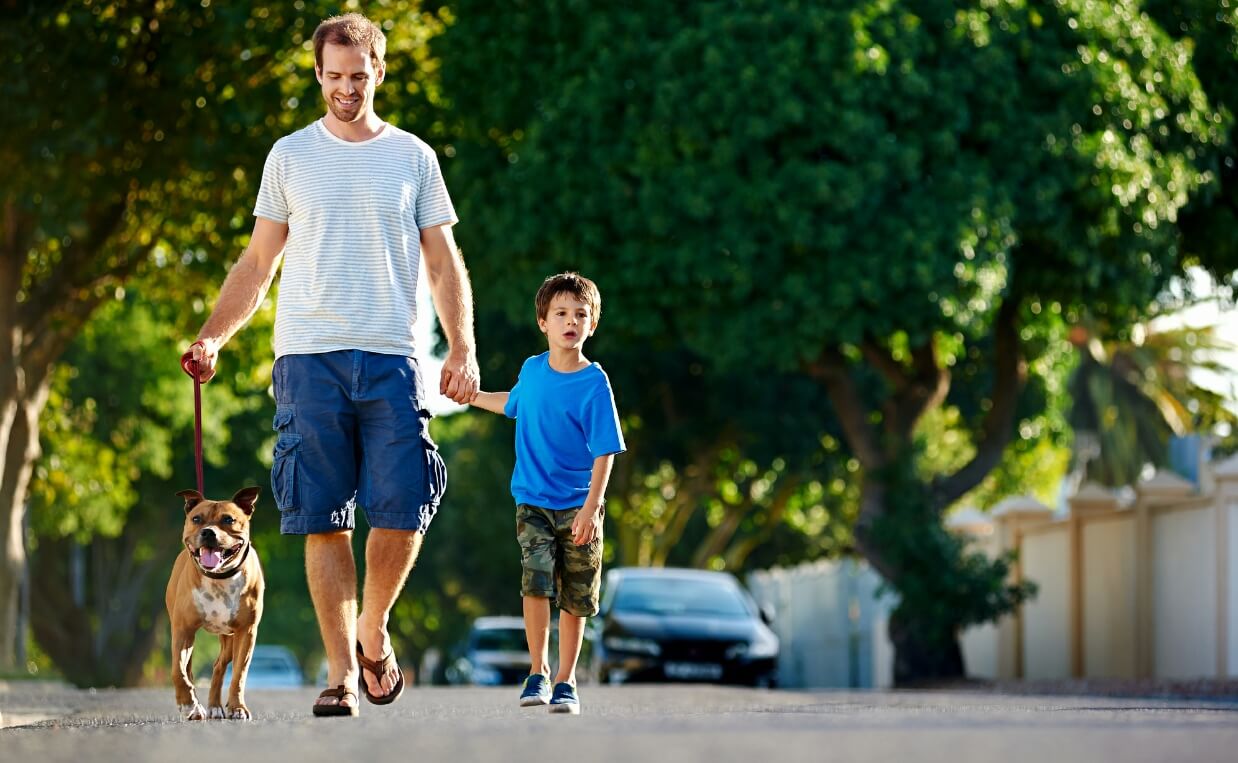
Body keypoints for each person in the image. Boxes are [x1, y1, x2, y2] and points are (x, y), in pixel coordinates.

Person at [182, 13, 478, 717]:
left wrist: (461, 345)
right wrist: (214, 335)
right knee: (323, 520)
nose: (346, 89)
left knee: (403, 507)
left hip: (392, 356)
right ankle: (343, 672)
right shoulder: (290, 156)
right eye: (333, 77)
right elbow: (259, 263)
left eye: (358, 76)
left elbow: (442, 262)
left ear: (379, 71)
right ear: (318, 74)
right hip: (307, 360)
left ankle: (372, 629)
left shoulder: (413, 157)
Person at [470, 272, 625, 715]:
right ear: (543, 321)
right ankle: (537, 670)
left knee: (576, 595)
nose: (570, 321)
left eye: (581, 314)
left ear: (592, 324)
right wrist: (469, 395)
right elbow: (512, 405)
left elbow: (606, 450)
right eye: (561, 313)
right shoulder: (532, 370)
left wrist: (592, 509)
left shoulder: (595, 382)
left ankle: (566, 679)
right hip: (533, 499)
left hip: (579, 504)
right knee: (535, 579)